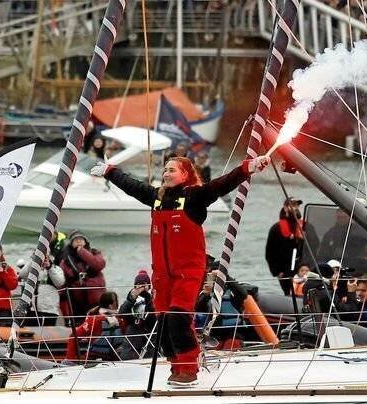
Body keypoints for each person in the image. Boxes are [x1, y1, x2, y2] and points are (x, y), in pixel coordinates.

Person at [90, 154, 270, 386]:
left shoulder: (195, 196)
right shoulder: (156, 197)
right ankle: (176, 366)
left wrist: (249, 167)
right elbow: (132, 186)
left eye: (172, 170)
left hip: (188, 272)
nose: (166, 173)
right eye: (165, 169)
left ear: (185, 174)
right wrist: (109, 171)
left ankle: (189, 369)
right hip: (162, 275)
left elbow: (223, 183)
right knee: (163, 321)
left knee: (177, 318)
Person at [265, 197, 319, 296]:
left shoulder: (307, 227)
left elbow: (316, 246)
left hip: (305, 269)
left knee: (307, 293)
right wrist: (277, 272)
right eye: (292, 205)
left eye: (296, 205)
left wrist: (311, 267)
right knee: (289, 294)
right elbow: (270, 252)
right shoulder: (276, 228)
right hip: (285, 271)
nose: (295, 208)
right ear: (285, 208)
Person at [57, 231, 107, 326]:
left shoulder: (95, 253)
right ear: (71, 243)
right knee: (79, 324)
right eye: (75, 240)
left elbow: (99, 265)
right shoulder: (66, 261)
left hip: (95, 297)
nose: (78, 241)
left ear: (86, 242)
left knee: (96, 323)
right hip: (77, 299)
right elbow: (62, 280)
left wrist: (82, 252)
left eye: (81, 239)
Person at [65, 291, 126, 361]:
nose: (118, 302)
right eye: (116, 300)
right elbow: (73, 336)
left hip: (115, 358)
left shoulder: (119, 319)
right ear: (110, 305)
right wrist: (70, 359)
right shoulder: (95, 320)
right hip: (96, 358)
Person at [118, 270, 157, 359]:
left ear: (149, 286)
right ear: (135, 286)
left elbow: (155, 317)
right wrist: (131, 299)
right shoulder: (130, 300)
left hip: (149, 335)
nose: (141, 287)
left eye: (144, 284)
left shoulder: (152, 300)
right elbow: (121, 313)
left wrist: (151, 299)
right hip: (133, 333)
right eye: (139, 284)